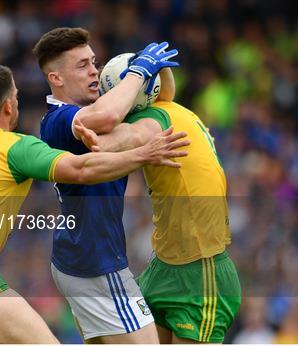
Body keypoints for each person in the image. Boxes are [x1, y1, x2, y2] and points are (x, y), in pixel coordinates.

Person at [0, 64, 188, 344]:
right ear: (8, 105)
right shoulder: (15, 146)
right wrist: (142, 154)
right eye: (15, 95)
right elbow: (81, 170)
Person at [32, 27, 179, 343]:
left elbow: (155, 104)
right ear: (56, 79)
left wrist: (158, 74)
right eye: (81, 65)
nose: (94, 70)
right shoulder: (58, 120)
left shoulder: (87, 111)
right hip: (96, 264)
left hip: (78, 258)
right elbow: (109, 116)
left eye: (94, 62)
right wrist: (139, 71)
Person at [74, 69, 242, 344]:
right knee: (104, 326)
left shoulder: (151, 122)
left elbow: (130, 136)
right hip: (163, 269)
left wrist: (101, 142)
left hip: (201, 276)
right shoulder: (171, 109)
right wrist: (157, 68)